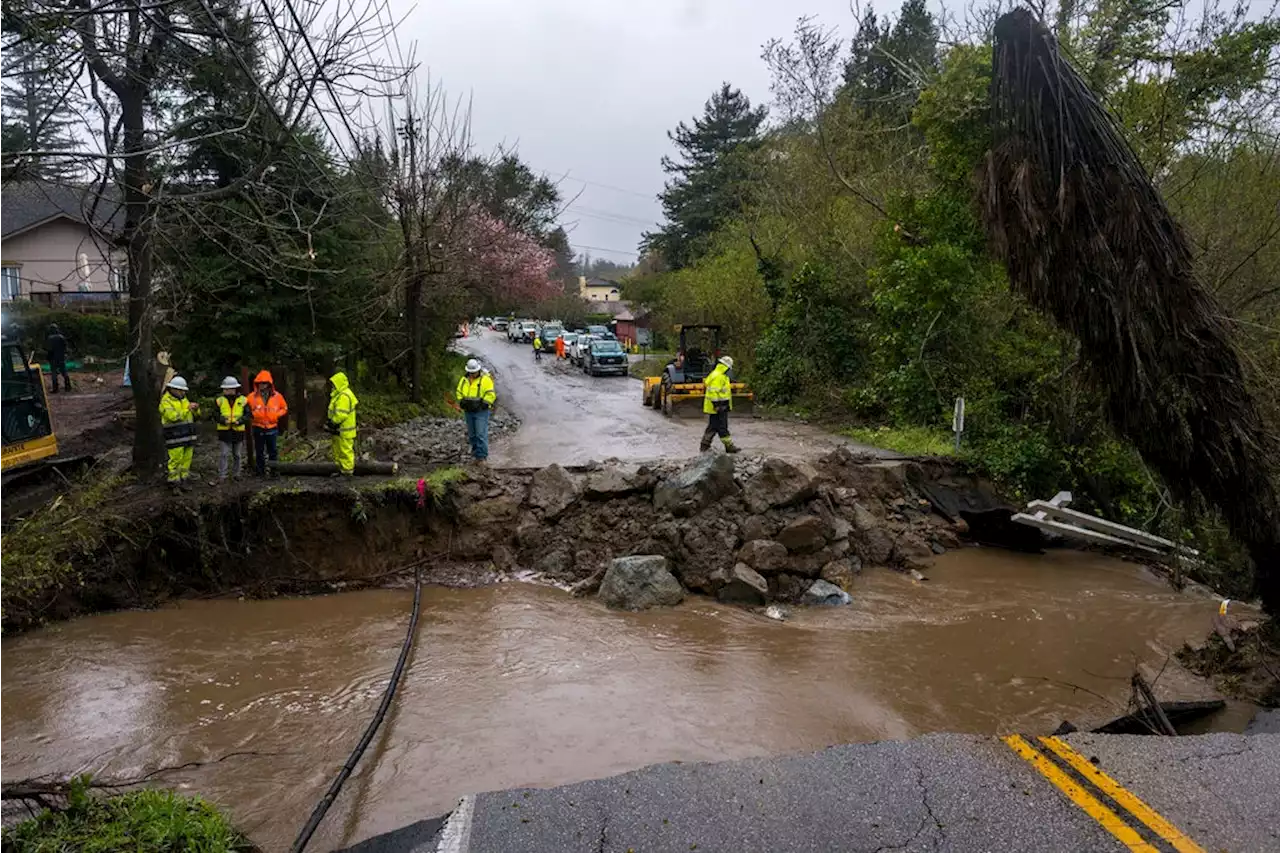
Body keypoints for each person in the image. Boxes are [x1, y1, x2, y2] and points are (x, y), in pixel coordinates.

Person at [245, 370, 288, 476]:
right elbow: (245, 410)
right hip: (258, 426)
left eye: (264, 383)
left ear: (269, 383)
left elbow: (284, 408)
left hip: (272, 427)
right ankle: (260, 472)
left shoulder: (277, 396)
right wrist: (253, 414)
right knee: (259, 451)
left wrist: (276, 415)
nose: (261, 385)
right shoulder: (251, 397)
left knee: (272, 450)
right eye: (259, 383)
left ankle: (274, 471)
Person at [159, 376, 199, 488]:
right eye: (181, 390)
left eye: (184, 390)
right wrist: (187, 409)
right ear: (173, 389)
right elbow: (173, 416)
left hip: (188, 435)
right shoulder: (165, 401)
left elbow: (193, 417)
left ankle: (184, 479)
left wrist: (196, 410)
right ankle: (173, 482)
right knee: (175, 460)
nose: (183, 393)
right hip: (174, 436)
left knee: (187, 459)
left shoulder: (184, 399)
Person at [456, 358, 496, 463]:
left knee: (480, 434)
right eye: (471, 372)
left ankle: (482, 456)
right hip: (469, 410)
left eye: (474, 372)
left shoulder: (485, 380)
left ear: (478, 370)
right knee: (472, 434)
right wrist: (461, 401)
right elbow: (459, 392)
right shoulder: (464, 380)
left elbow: (491, 394)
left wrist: (485, 403)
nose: (472, 374)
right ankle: (475, 454)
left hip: (481, 411)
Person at [700, 355, 740, 455]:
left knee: (713, 426)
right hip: (718, 407)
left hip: (719, 406)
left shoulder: (719, 375)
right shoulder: (719, 376)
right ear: (726, 367)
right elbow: (714, 392)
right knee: (722, 427)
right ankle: (729, 446)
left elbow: (721, 392)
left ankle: (704, 446)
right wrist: (717, 406)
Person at [214, 376, 249, 482]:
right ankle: (222, 475)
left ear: (234, 389)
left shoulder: (243, 400)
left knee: (237, 454)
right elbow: (215, 414)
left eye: (227, 389)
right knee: (224, 454)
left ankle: (237, 474)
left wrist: (240, 421)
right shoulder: (219, 400)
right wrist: (223, 420)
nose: (225, 391)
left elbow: (248, 415)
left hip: (238, 431)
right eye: (224, 389)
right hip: (224, 431)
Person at [326, 370, 358, 475]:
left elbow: (341, 414)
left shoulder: (344, 396)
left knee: (345, 451)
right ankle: (340, 469)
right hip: (339, 430)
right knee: (338, 450)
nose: (332, 386)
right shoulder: (339, 394)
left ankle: (347, 472)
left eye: (334, 384)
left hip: (343, 430)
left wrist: (333, 422)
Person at [45, 324, 70, 393]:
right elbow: (65, 347)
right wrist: (65, 354)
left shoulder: (50, 338)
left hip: (53, 358)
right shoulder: (61, 337)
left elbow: (49, 349)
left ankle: (55, 389)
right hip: (61, 357)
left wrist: (48, 357)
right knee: (64, 372)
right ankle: (68, 387)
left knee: (54, 374)